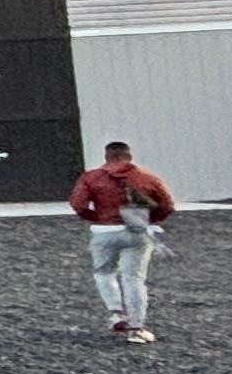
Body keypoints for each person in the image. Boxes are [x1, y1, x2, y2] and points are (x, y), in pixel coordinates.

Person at [68, 139, 179, 341]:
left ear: (107, 157)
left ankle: (117, 313)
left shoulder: (91, 178)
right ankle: (137, 328)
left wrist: (98, 218)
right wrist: (146, 220)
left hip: (104, 232)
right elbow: (167, 205)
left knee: (104, 273)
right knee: (134, 279)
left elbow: (78, 204)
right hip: (137, 233)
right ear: (129, 157)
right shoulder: (147, 178)